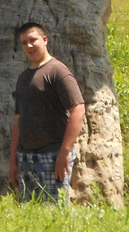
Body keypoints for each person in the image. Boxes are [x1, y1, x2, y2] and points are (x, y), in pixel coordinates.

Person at [8, 21, 86, 203]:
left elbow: (78, 109)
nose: (29, 46)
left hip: (53, 156)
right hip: (26, 158)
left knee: (54, 213)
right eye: (24, 43)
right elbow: (18, 119)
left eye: (32, 40)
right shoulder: (23, 77)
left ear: (44, 40)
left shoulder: (57, 71)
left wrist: (65, 152)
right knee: (30, 214)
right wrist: (13, 160)